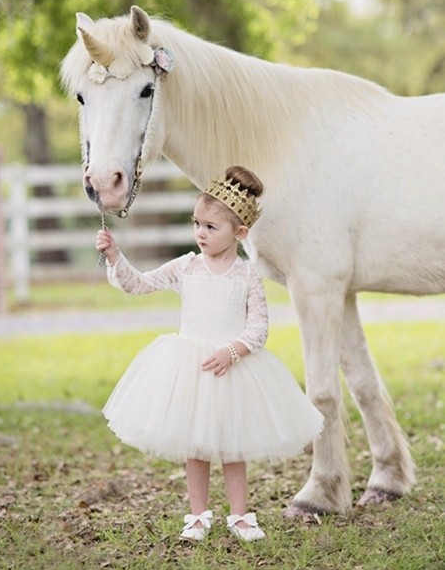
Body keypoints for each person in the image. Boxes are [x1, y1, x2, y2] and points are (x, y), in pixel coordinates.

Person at [95, 166, 324, 543]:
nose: (200, 232)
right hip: (192, 370)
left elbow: (258, 328)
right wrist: (115, 257)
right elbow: (139, 284)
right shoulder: (186, 267)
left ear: (240, 233)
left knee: (234, 448)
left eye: (211, 227)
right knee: (195, 447)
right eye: (196, 223)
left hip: (231, 368)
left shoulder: (247, 275)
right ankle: (198, 515)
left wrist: (233, 351)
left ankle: (239, 516)